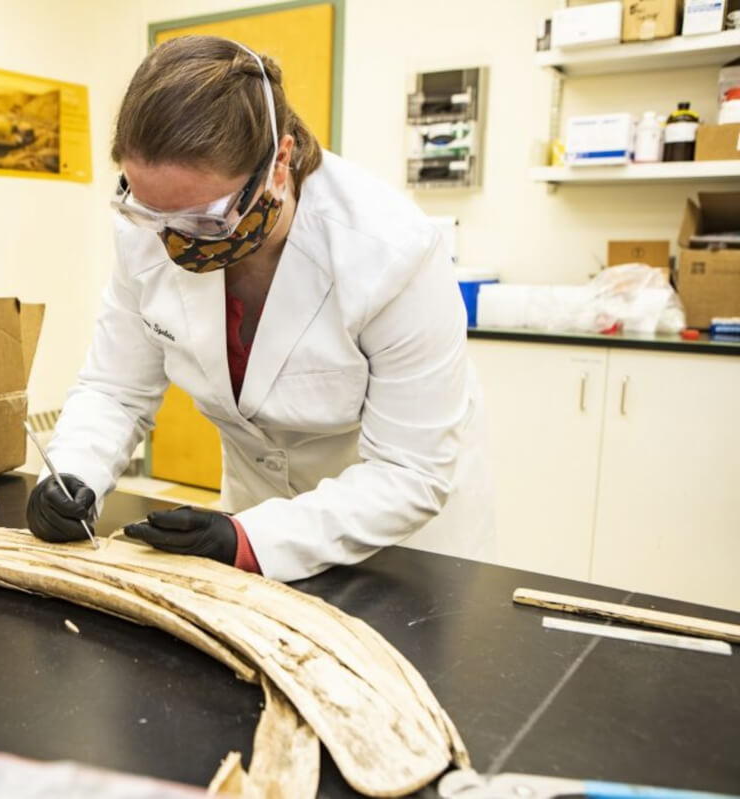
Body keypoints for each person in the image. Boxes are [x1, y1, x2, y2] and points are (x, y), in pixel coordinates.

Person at [26, 36, 494, 582]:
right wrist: (73, 472)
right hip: (254, 518)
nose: (173, 240)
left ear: (279, 165)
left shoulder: (392, 251)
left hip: (399, 542)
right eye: (152, 213)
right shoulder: (147, 227)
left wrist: (250, 539)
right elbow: (116, 389)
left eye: (205, 219)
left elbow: (408, 471)